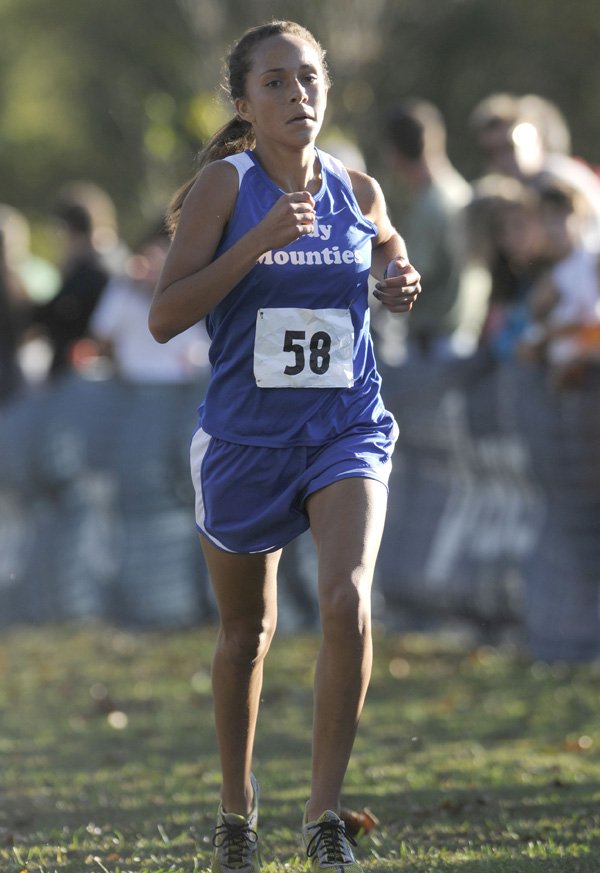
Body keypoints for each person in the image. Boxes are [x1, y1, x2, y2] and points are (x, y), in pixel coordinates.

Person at [148, 20, 421, 873]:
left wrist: (398, 277)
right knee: (246, 634)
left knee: (346, 601)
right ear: (244, 103)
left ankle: (324, 816)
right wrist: (256, 245)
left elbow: (387, 243)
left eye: (308, 80)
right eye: (276, 83)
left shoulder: (356, 184)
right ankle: (237, 812)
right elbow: (165, 316)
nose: (297, 96)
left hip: (344, 426)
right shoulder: (223, 190)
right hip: (244, 440)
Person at [383, 100, 472, 360]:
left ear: (394, 153)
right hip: (460, 339)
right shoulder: (459, 191)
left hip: (434, 346)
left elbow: (411, 275)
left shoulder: (430, 206)